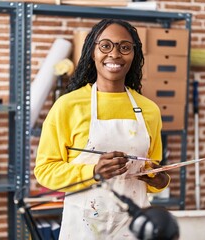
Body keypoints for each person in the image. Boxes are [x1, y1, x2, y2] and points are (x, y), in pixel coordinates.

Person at [34, 18, 170, 240]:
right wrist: (93, 171)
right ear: (92, 52)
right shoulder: (68, 106)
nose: (115, 54)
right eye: (105, 46)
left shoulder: (149, 110)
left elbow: (153, 168)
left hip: (134, 226)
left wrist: (160, 181)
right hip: (84, 227)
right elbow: (44, 171)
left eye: (125, 47)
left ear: (134, 55)